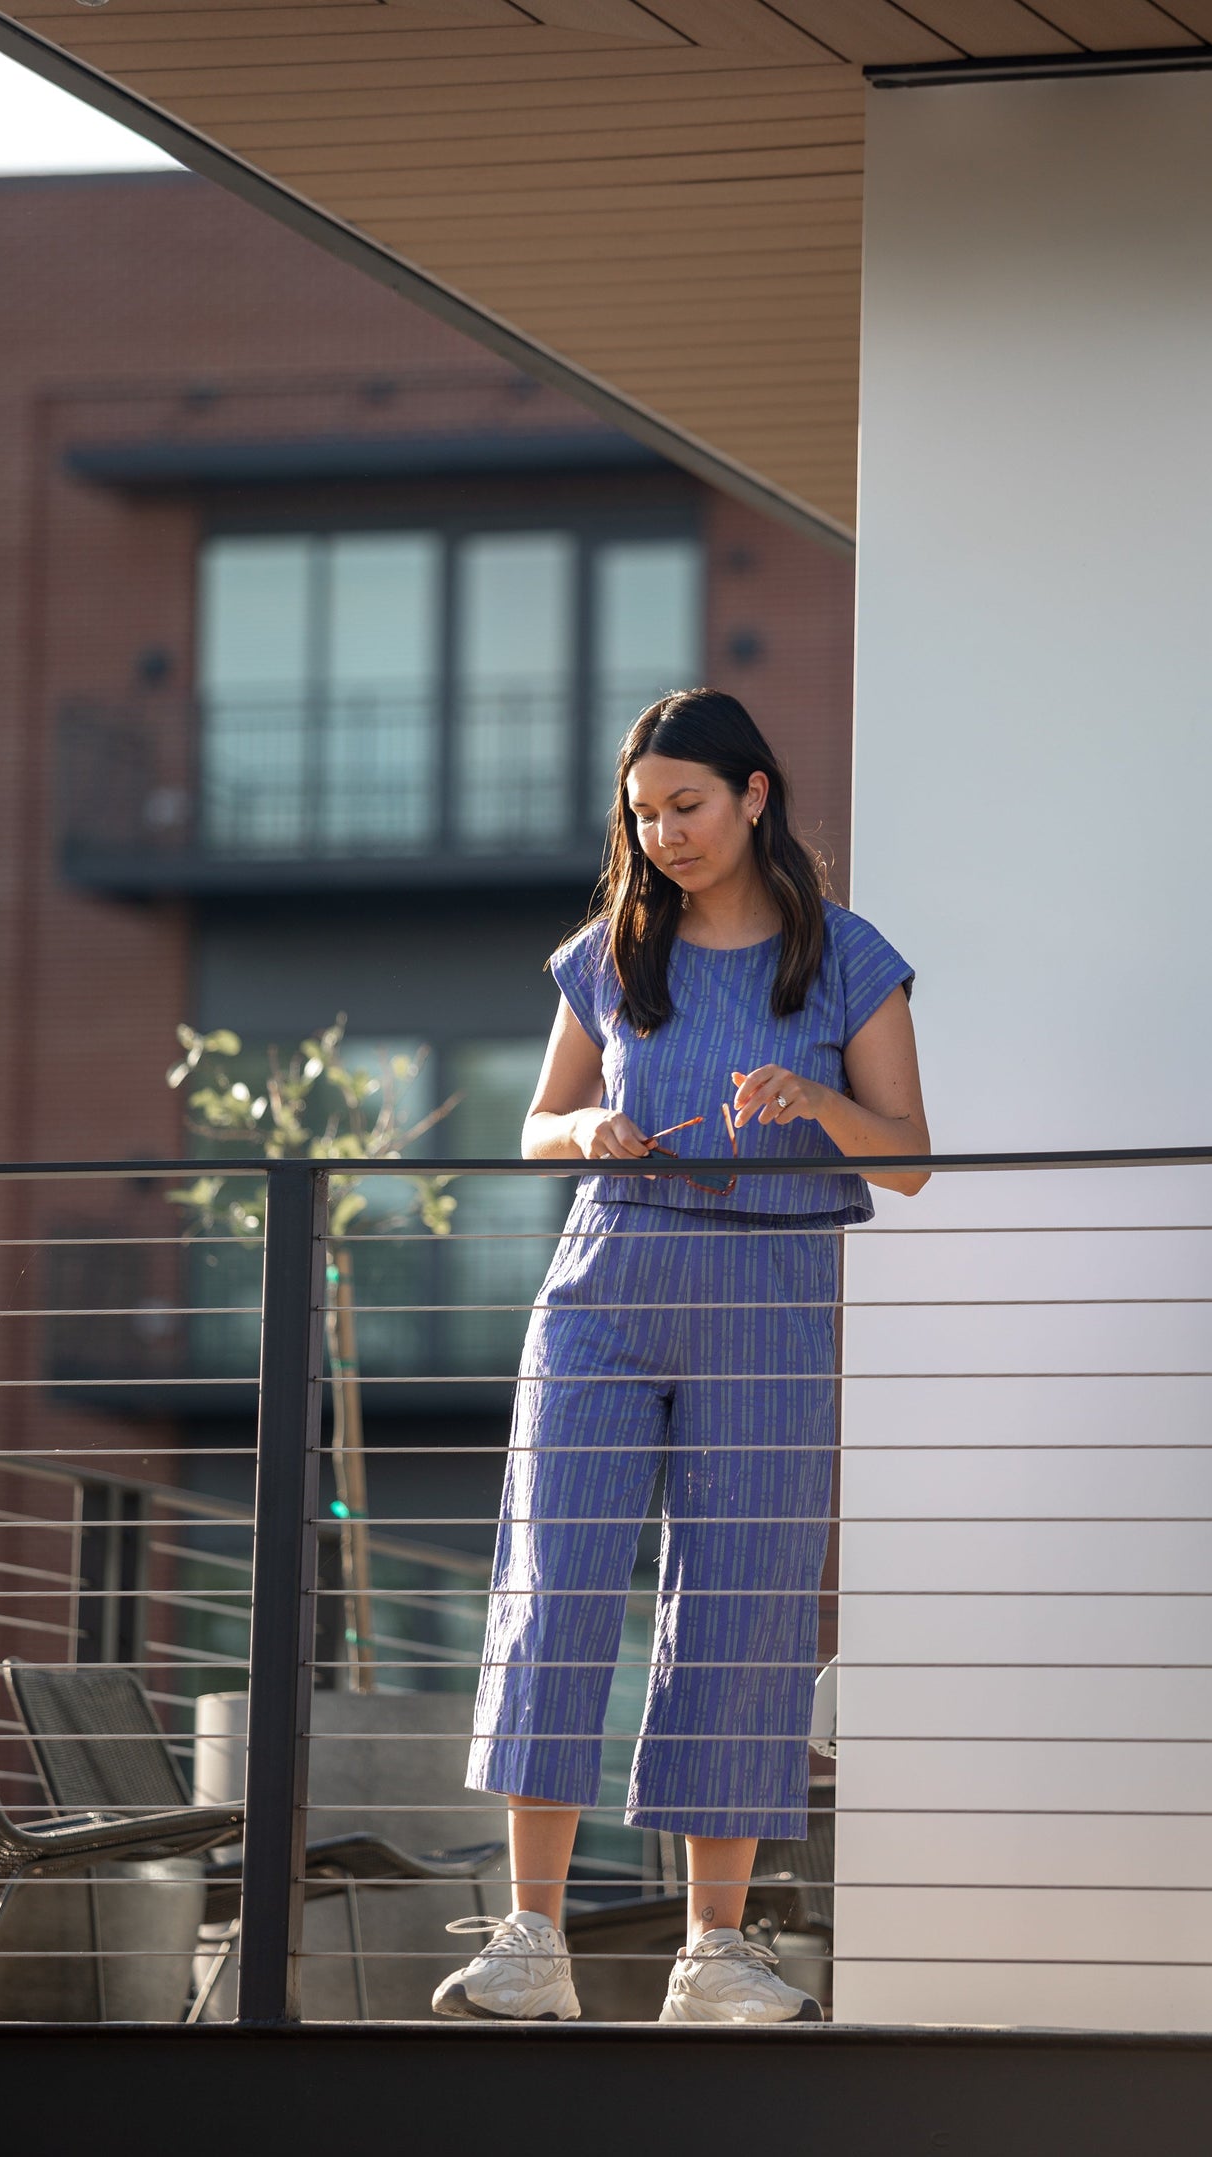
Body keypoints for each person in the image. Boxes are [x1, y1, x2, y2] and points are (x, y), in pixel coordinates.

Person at [433, 688, 929, 2025]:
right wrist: (586, 1127)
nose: (662, 836)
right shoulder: (609, 951)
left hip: (767, 1294)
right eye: (643, 814)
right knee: (557, 1585)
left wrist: (815, 1100)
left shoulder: (845, 960)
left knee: (744, 1604)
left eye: (686, 807)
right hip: (604, 1285)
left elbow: (913, 1161)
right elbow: (533, 1124)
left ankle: (714, 1952)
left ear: (753, 796)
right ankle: (530, 1941)